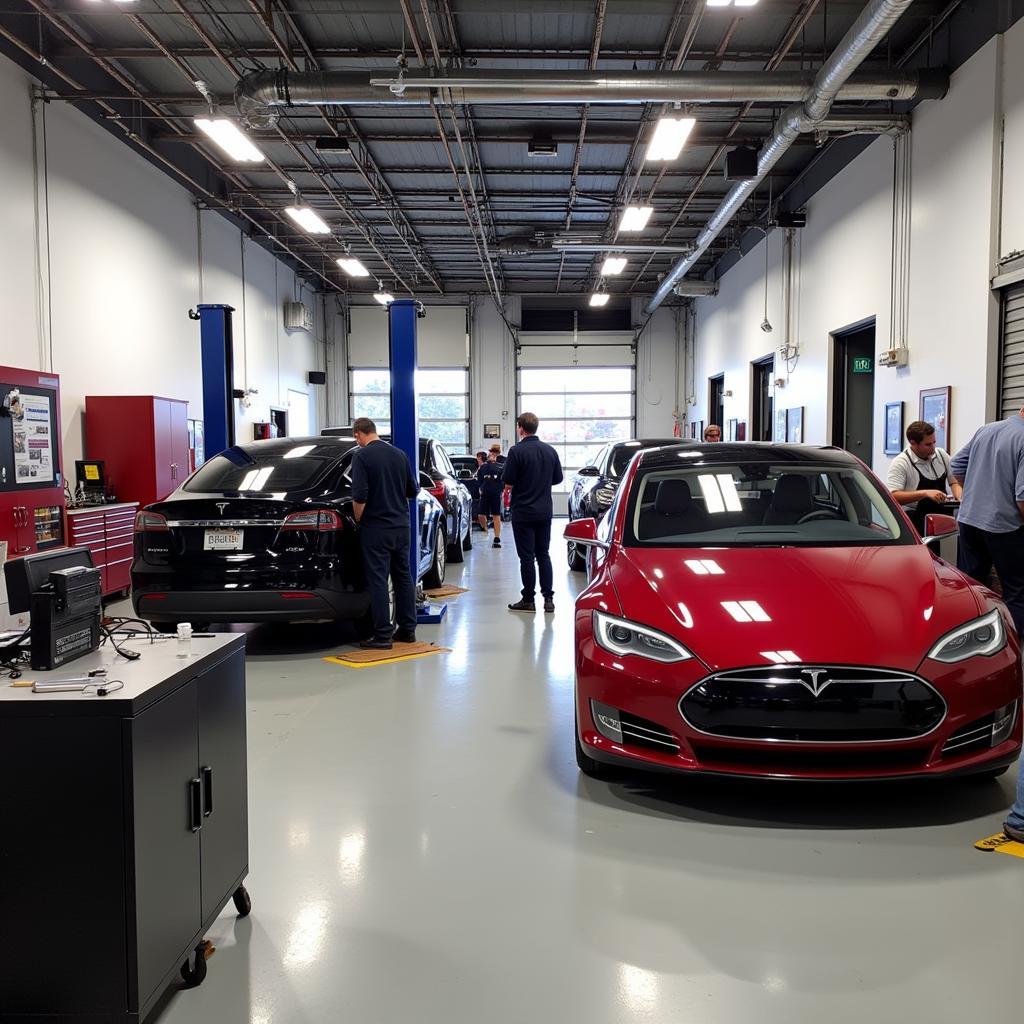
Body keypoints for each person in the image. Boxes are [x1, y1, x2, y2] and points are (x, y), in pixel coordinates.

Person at [949, 409, 1024, 636]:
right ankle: (1013, 654)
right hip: (1005, 527)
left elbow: (956, 467)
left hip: (970, 521)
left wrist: (977, 492)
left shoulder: (987, 429)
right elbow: (1022, 500)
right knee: (1017, 592)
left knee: (972, 589)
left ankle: (967, 642)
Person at [350, 416, 419, 650]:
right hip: (401, 526)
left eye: (355, 438)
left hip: (376, 528)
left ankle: (382, 635)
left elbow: (360, 494)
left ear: (359, 434)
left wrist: (358, 517)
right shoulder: (400, 454)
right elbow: (413, 490)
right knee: (403, 576)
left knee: (378, 580)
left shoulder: (361, 456)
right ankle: (408, 630)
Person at [502, 412, 563, 613]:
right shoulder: (550, 451)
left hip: (523, 512)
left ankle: (528, 599)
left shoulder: (516, 452)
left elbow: (508, 479)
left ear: (520, 428)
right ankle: (549, 599)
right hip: (544, 511)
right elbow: (558, 479)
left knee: (527, 557)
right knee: (543, 554)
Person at [886, 420, 962, 532]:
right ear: (913, 443)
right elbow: (893, 496)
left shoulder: (941, 455)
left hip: (943, 521)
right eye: (928, 444)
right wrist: (925, 493)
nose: (933, 447)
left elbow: (954, 482)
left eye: (934, 442)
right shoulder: (901, 463)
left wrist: (960, 497)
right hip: (915, 522)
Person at [477, 449, 504, 547]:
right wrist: (481, 488)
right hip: (486, 493)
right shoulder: (483, 468)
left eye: (493, 454)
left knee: (496, 515)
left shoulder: (500, 467)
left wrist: (501, 490)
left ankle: (497, 537)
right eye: (490, 454)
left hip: (495, 493)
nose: (492, 456)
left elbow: (503, 481)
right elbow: (479, 480)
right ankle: (486, 528)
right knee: (481, 514)